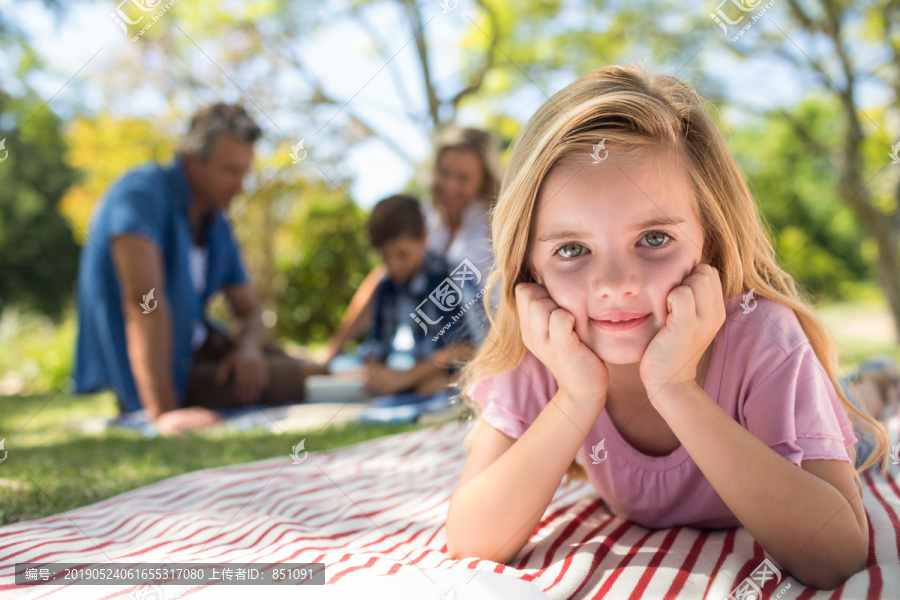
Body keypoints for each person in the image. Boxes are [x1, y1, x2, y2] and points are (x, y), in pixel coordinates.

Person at [445, 64, 890, 590]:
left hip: (823, 426)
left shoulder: (762, 337)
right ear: (531, 268)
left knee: (857, 417)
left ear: (711, 239)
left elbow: (836, 556)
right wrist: (576, 393)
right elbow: (472, 540)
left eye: (654, 239)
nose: (614, 284)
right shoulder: (546, 347)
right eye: (571, 250)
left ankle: (877, 383)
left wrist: (674, 388)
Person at [73, 103, 326, 435]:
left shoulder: (216, 222)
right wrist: (164, 414)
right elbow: (143, 302)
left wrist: (246, 349)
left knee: (310, 368)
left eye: (245, 171)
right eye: (230, 171)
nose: (241, 184)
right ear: (192, 159)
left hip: (203, 351)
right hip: (154, 375)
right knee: (300, 376)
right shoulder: (140, 195)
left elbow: (250, 312)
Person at [318, 127, 501, 366]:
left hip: (478, 346)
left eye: (463, 178)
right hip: (433, 348)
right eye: (444, 173)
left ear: (483, 179)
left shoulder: (494, 224)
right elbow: (387, 276)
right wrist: (334, 348)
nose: (450, 186)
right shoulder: (427, 216)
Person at [358, 194, 477, 397]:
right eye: (385, 257)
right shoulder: (386, 287)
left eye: (402, 255)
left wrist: (409, 377)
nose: (394, 266)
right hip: (412, 378)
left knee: (438, 385)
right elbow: (376, 350)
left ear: (424, 237)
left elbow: (468, 349)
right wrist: (377, 374)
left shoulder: (449, 278)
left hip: (459, 378)